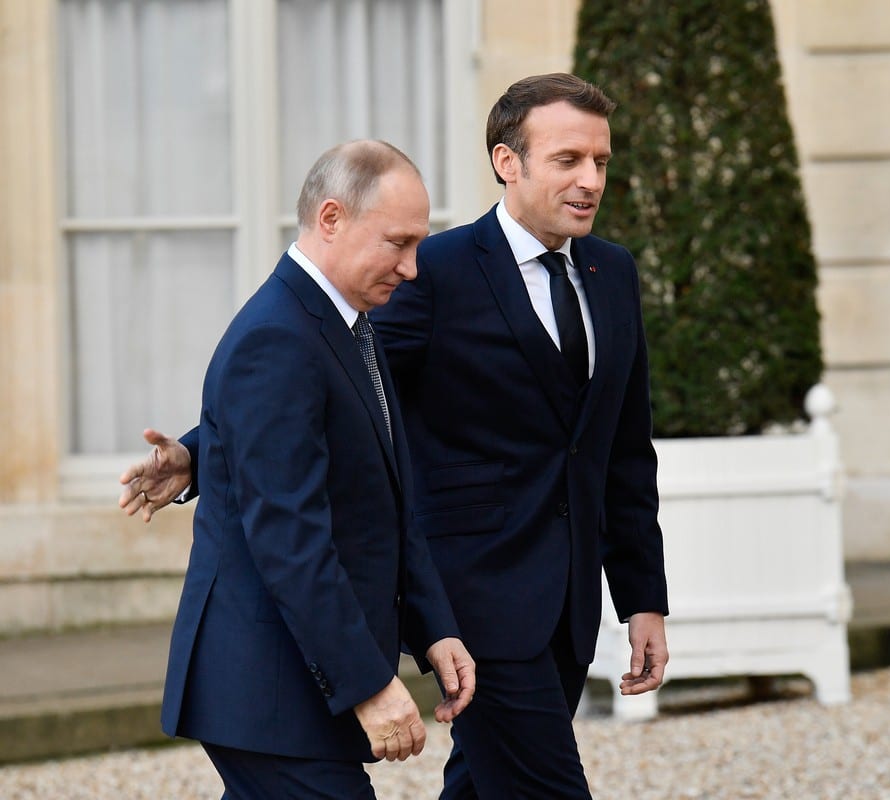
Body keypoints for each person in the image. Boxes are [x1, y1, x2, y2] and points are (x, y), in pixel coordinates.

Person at [121, 74, 669, 799]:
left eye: (601, 161)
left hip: (565, 603)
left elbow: (622, 451)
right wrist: (199, 450)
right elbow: (301, 393)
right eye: (568, 159)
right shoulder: (434, 270)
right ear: (510, 162)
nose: (590, 179)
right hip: (478, 597)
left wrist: (641, 595)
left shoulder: (611, 272)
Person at [130, 141, 475, 799]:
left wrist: (436, 628)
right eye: (397, 244)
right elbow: (293, 542)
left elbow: (382, 497)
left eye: (418, 246)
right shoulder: (278, 338)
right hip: (272, 695)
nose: (411, 268)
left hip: (282, 695)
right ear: (331, 218)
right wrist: (371, 686)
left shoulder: (346, 321)